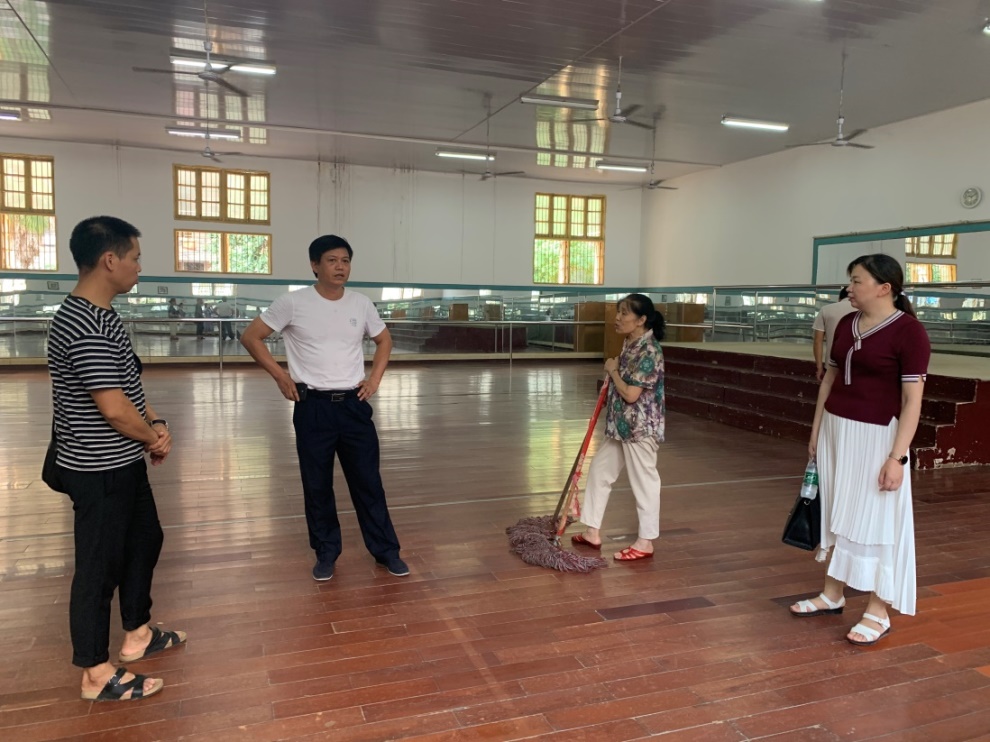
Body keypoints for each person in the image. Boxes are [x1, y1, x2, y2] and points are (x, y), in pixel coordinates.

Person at [47, 216, 185, 702]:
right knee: (98, 568)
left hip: (122, 461)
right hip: (97, 469)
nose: (139, 268)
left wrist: (156, 424)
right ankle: (94, 672)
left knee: (145, 539)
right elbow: (113, 409)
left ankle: (138, 633)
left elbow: (128, 388)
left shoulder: (105, 316)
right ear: (110, 260)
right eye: (135, 258)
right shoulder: (82, 323)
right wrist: (152, 439)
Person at [240, 234, 408, 581]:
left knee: (368, 482)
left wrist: (374, 379)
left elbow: (384, 339)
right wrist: (280, 375)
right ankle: (326, 552)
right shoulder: (293, 303)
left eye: (345, 261)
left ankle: (386, 551)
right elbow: (251, 336)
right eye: (332, 260)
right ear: (315, 265)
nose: (340, 267)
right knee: (317, 485)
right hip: (313, 407)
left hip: (353, 405)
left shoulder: (361, 304)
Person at [791, 254, 930, 647]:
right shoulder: (846, 323)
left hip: (877, 436)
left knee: (876, 520)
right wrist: (817, 429)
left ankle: (878, 609)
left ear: (885, 288)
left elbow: (912, 401)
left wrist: (897, 457)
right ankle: (832, 594)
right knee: (838, 513)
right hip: (837, 430)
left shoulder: (909, 332)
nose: (849, 288)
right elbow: (830, 379)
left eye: (856, 281)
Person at [571, 294, 666, 562]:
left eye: (624, 313)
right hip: (620, 427)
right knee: (600, 472)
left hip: (639, 429)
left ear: (641, 319)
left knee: (644, 482)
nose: (617, 318)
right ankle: (592, 531)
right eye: (618, 312)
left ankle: (645, 541)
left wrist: (612, 370)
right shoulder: (630, 344)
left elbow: (632, 395)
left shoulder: (649, 352)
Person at [811, 287, 855, 381]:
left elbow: (817, 341)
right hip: (856, 365)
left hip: (832, 364)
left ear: (839, 298)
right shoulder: (864, 310)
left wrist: (819, 368)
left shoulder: (825, 309)